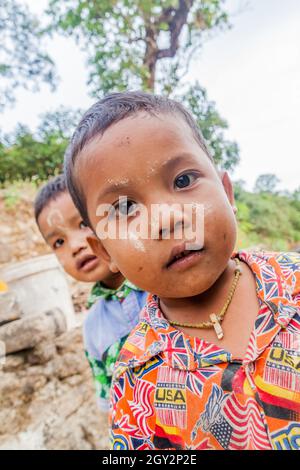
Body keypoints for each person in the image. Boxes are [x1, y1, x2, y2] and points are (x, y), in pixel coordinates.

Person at [64, 91, 300, 450]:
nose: (169, 219)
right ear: (104, 249)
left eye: (184, 181)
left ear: (227, 194)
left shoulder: (294, 280)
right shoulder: (134, 383)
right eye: (125, 207)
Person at [34, 174, 147, 411]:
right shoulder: (93, 327)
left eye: (84, 224)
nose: (75, 245)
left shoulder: (165, 284)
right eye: (58, 242)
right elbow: (112, 407)